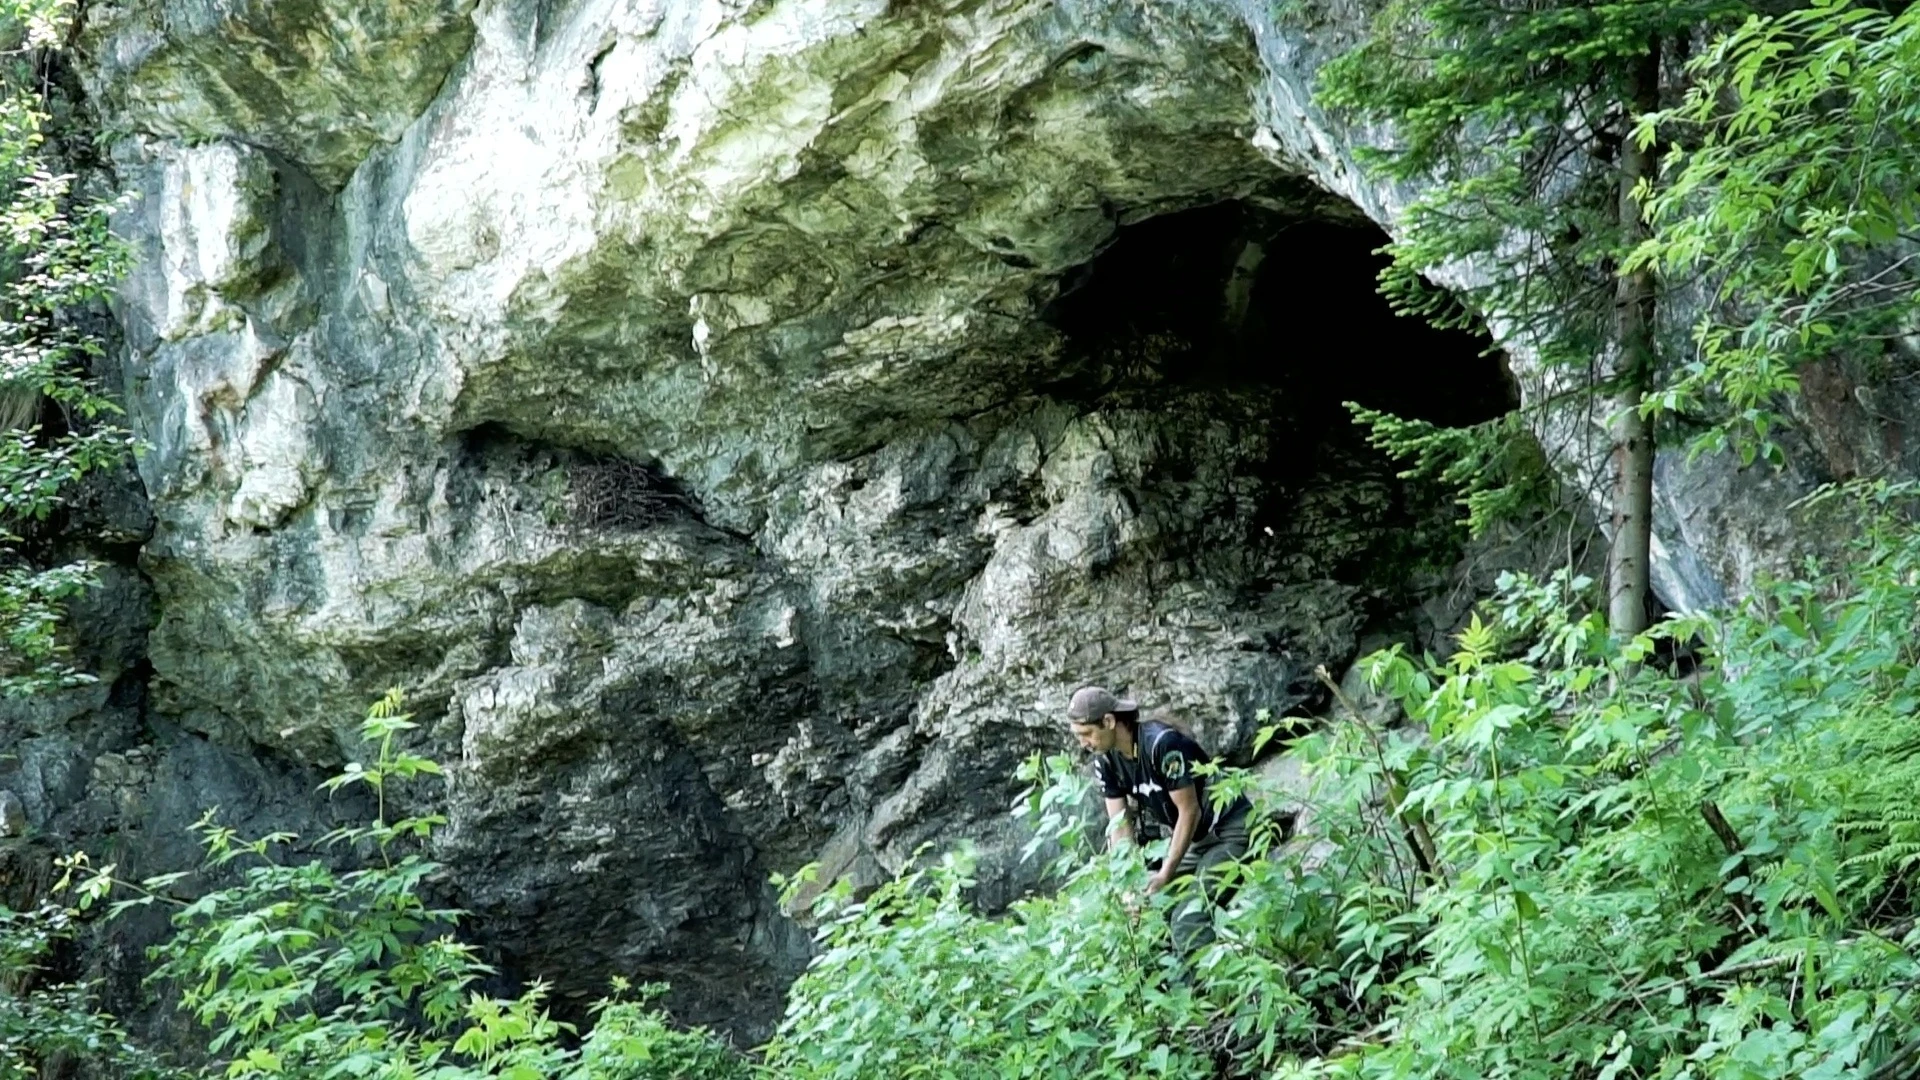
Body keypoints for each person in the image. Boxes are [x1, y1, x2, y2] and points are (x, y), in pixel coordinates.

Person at [1066, 685, 1252, 954]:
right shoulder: (1105, 760)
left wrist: (1166, 873)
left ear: (1108, 721)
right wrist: (1130, 886)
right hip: (1196, 843)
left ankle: (1207, 992)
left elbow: (1190, 811)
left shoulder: (1162, 745)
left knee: (1188, 919)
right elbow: (1119, 828)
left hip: (1229, 832)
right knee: (1148, 910)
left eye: (1087, 734)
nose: (1083, 743)